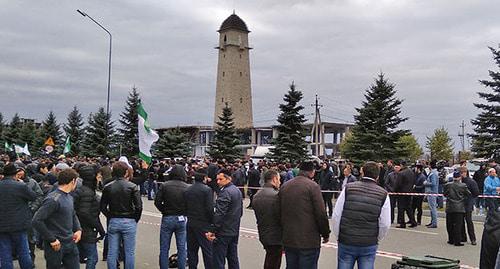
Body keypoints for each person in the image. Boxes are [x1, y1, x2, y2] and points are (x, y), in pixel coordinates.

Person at [332, 161, 391, 269]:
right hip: (368, 242)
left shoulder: (348, 188)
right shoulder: (383, 194)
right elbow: (385, 223)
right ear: (377, 176)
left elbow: (337, 215)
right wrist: (376, 238)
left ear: (362, 172)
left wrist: (338, 235)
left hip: (347, 239)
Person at [279, 161, 330, 269]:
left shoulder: (285, 186)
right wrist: (325, 233)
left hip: (289, 238)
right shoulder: (313, 187)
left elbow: (278, 211)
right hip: (308, 240)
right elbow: (321, 213)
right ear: (312, 172)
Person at [32, 168, 82, 269]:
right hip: (56, 245)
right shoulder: (53, 199)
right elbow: (37, 220)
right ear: (73, 181)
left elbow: (73, 214)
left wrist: (78, 229)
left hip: (70, 242)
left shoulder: (69, 197)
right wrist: (52, 239)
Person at [100, 161, 143, 269]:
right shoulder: (132, 186)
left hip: (114, 219)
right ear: (125, 173)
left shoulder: (108, 187)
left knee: (112, 252)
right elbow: (139, 206)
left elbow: (103, 206)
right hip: (129, 220)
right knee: (129, 252)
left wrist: (109, 216)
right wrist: (135, 219)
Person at [0, 163, 36, 269]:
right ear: (15, 174)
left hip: (2, 225)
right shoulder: (20, 186)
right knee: (23, 251)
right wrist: (23, 183)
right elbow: (33, 196)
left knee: (5, 253)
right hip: (19, 225)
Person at [206, 169, 243, 269]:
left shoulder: (225, 192)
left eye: (220, 179)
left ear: (228, 179)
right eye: (217, 179)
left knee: (218, 259)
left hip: (223, 232)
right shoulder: (236, 190)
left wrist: (213, 230)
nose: (218, 182)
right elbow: (240, 212)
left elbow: (219, 214)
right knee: (233, 258)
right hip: (234, 230)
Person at [154, 164, 190, 269]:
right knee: (182, 247)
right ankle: (182, 266)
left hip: (167, 217)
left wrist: (164, 210)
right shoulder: (186, 187)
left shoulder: (165, 185)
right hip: (181, 218)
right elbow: (190, 203)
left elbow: (157, 202)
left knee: (164, 247)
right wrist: (185, 212)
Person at [74, 165, 106, 269]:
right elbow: (85, 213)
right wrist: (99, 227)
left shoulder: (84, 190)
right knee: (92, 257)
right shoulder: (87, 192)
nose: (100, 177)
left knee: (79, 256)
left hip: (82, 228)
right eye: (98, 175)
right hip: (86, 230)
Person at [252, 170, 282, 269]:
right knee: (274, 262)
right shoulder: (276, 195)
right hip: (276, 235)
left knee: (270, 258)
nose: (280, 182)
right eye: (279, 179)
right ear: (274, 179)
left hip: (264, 232)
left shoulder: (257, 195)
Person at [185, 169, 214, 269]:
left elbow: (185, 206)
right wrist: (212, 222)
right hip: (204, 224)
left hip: (191, 222)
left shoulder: (188, 189)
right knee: (208, 251)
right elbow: (210, 208)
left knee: (192, 250)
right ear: (204, 178)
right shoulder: (207, 190)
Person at [444, 171, 471, 246]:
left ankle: (451, 239)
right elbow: (468, 194)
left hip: (450, 207)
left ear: (453, 177)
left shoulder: (448, 185)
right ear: (460, 177)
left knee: (449, 224)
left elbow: (445, 194)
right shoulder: (463, 185)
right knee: (458, 225)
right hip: (459, 207)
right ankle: (457, 241)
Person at [393, 161, 417, 228]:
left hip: (402, 193)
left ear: (401, 165)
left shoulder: (401, 173)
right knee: (408, 207)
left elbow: (398, 184)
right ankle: (413, 221)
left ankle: (402, 223)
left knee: (401, 208)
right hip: (409, 192)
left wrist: (394, 191)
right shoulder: (411, 172)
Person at [459, 166, 479, 245]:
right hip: (460, 204)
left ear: (465, 173)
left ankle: (472, 239)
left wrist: (470, 198)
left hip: (468, 204)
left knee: (469, 222)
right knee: (461, 222)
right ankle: (463, 237)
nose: (461, 175)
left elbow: (476, 193)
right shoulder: (459, 182)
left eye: (461, 173)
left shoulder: (471, 182)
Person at [423, 161, 439, 228]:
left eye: (429, 165)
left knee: (433, 208)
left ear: (430, 166)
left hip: (432, 192)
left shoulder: (433, 174)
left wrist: (426, 183)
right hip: (431, 192)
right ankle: (432, 221)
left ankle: (434, 223)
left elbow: (433, 183)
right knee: (432, 208)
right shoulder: (433, 173)